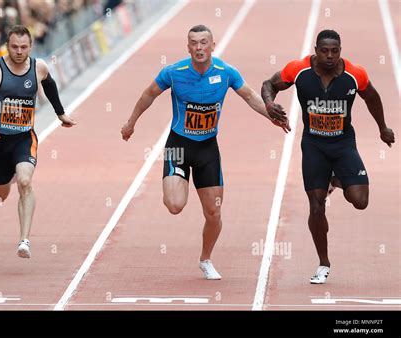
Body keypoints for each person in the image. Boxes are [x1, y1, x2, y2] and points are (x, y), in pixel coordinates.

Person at [121, 24, 289, 280]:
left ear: (213, 45)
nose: (199, 48)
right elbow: (149, 94)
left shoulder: (226, 72)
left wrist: (271, 116)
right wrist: (131, 122)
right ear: (188, 47)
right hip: (178, 145)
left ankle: (205, 259)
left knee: (214, 213)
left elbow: (250, 96)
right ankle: (175, 180)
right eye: (194, 43)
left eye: (203, 43)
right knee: (175, 205)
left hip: (207, 149)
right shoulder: (173, 72)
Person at [261, 29, 395, 284]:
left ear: (341, 51)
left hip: (344, 144)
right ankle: (323, 262)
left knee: (360, 200)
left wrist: (383, 128)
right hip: (314, 145)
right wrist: (269, 104)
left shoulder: (355, 74)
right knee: (316, 205)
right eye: (324, 51)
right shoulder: (298, 70)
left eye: (335, 51)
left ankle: (335, 180)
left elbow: (372, 97)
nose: (330, 56)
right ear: (316, 50)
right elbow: (269, 84)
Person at [0, 25, 77, 258]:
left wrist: (60, 113)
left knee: (26, 182)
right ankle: (8, 176)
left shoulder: (39, 67)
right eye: (15, 47)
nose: (19, 51)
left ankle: (24, 241)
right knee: (1, 195)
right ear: (7, 46)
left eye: (24, 47)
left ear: (31, 46)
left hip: (24, 138)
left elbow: (49, 85)